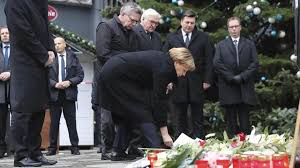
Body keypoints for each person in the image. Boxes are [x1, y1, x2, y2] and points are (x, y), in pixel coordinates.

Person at [99, 47, 195, 161]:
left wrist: (167, 83)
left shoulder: (166, 61)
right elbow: (159, 102)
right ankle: (157, 153)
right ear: (178, 62)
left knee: (130, 112)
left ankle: (118, 151)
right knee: (143, 112)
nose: (184, 74)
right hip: (116, 75)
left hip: (114, 70)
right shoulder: (165, 69)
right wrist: (165, 134)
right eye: (184, 70)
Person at [5, 0, 57, 167]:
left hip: (41, 65)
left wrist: (51, 51)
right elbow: (23, 33)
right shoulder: (14, 3)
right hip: (24, 64)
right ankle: (20, 156)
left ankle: (35, 153)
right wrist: (43, 55)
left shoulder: (40, 2)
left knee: (39, 109)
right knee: (22, 111)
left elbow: (47, 29)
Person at [96, 2, 142, 160]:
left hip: (125, 82)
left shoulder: (133, 33)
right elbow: (102, 53)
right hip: (108, 80)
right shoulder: (106, 27)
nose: (134, 24)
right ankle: (106, 149)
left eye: (137, 21)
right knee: (107, 119)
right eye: (133, 20)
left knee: (125, 117)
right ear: (123, 14)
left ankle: (121, 149)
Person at [163, 9, 213, 139]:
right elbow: (166, 60)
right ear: (181, 21)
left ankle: (198, 143)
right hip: (177, 82)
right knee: (179, 116)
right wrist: (167, 80)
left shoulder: (203, 38)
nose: (189, 25)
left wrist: (207, 80)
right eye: (187, 22)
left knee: (197, 116)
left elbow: (209, 60)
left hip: (197, 82)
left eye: (192, 23)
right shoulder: (171, 38)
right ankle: (180, 144)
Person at [213, 17, 259, 138]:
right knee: (231, 123)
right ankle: (231, 149)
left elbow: (254, 63)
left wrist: (242, 77)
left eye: (236, 26)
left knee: (245, 122)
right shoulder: (221, 45)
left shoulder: (249, 44)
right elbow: (217, 63)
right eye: (231, 27)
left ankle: (246, 149)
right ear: (228, 29)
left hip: (244, 87)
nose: (234, 29)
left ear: (240, 27)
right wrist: (231, 77)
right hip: (228, 87)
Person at [46, 37, 84, 156]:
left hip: (69, 94)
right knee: (54, 123)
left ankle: (75, 147)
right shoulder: (51, 57)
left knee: (71, 122)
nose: (56, 46)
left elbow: (80, 75)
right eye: (55, 44)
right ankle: (52, 148)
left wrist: (70, 82)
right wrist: (54, 84)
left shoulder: (72, 57)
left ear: (64, 44)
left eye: (59, 43)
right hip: (55, 94)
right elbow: (45, 76)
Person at [0, 27, 10, 158]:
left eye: (7, 33)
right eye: (2, 34)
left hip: (16, 90)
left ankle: (18, 149)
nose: (5, 35)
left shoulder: (18, 49)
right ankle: (1, 149)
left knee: (18, 121)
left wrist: (11, 73)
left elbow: (22, 64)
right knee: (1, 122)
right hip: (1, 92)